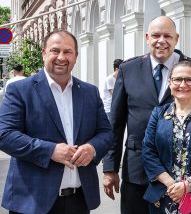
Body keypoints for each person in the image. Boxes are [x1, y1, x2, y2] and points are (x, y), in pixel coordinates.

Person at [102, 15, 191, 214]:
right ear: (147, 38)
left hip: (182, 174)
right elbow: (116, 123)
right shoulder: (128, 70)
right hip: (137, 171)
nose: (161, 41)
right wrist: (110, 167)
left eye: (167, 36)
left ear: (177, 38)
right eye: (156, 35)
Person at [0, 30, 113, 214]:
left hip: (79, 201)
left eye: (68, 51)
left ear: (76, 56)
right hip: (32, 202)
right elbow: (5, 135)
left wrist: (92, 148)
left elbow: (106, 133)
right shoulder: (20, 90)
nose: (61, 57)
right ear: (44, 53)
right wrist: (50, 150)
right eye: (55, 50)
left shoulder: (89, 92)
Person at [142, 61, 191, 214]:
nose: (183, 84)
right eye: (177, 79)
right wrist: (172, 185)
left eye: (189, 80)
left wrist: (187, 185)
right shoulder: (158, 114)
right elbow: (148, 151)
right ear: (170, 83)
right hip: (163, 194)